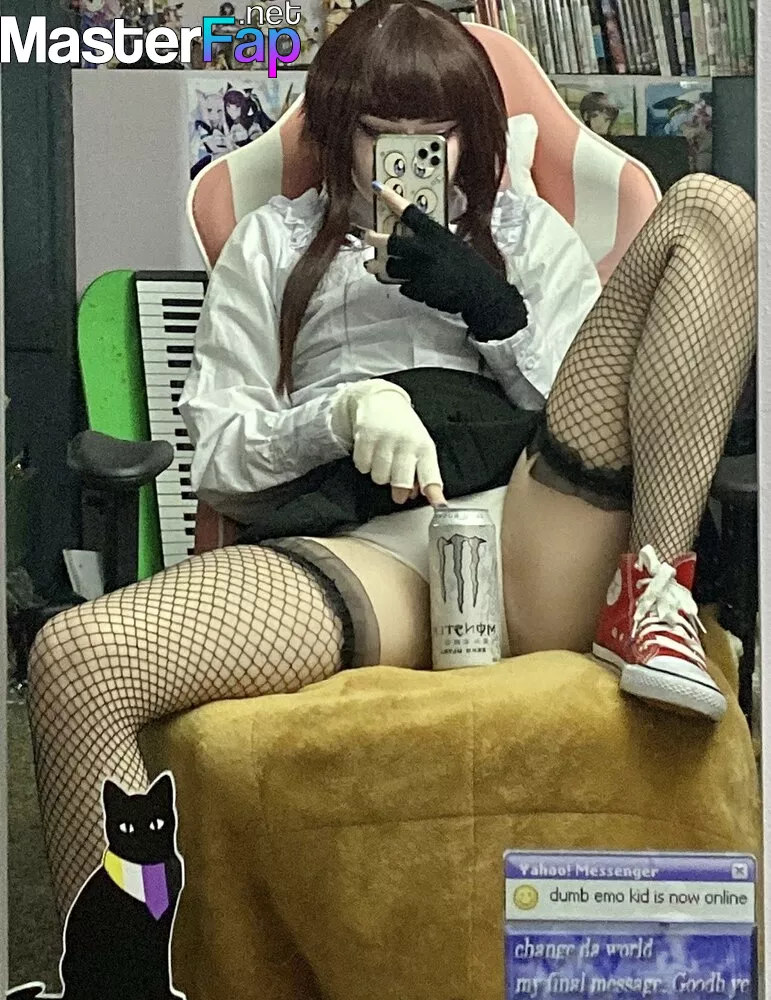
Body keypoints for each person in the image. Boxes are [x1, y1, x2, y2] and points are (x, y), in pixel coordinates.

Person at [28, 0, 756, 920]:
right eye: (382, 133)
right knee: (79, 660)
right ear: (339, 132)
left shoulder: (528, 233)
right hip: (373, 548)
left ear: (475, 135)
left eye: (439, 134)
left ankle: (653, 598)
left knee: (713, 207)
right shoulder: (273, 240)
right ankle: (125, 965)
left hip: (536, 519)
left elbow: (602, 411)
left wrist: (496, 315)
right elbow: (216, 458)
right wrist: (340, 413)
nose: (413, 157)